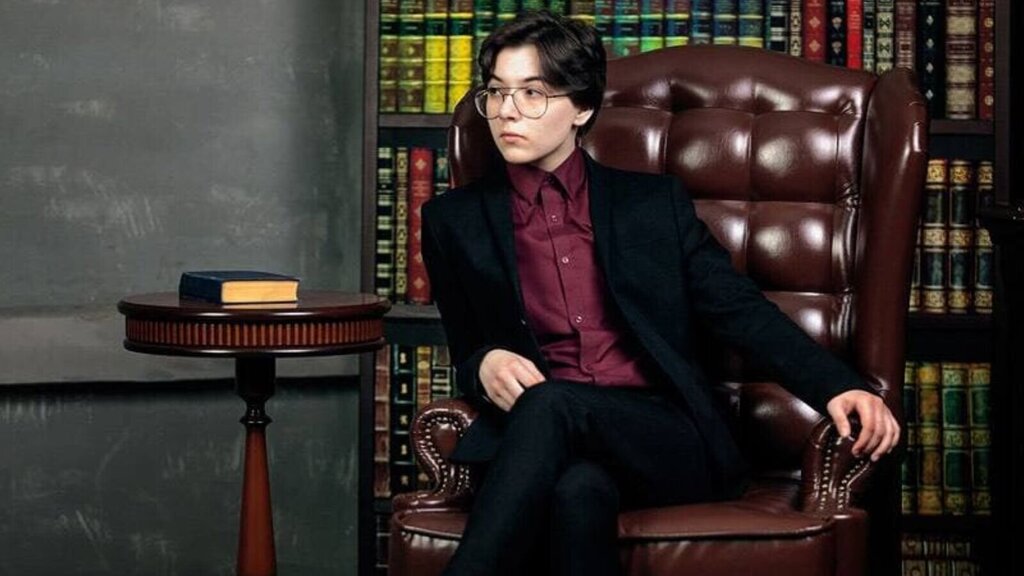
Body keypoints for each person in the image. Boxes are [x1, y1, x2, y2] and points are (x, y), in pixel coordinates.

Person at [420, 10, 900, 576]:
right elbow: (467, 348)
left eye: (532, 93)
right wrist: (485, 363)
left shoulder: (651, 206)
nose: (507, 112)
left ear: (582, 108)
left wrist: (837, 386)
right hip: (544, 444)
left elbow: (739, 311)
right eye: (497, 92)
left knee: (551, 402)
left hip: (661, 437)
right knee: (577, 493)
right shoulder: (453, 222)